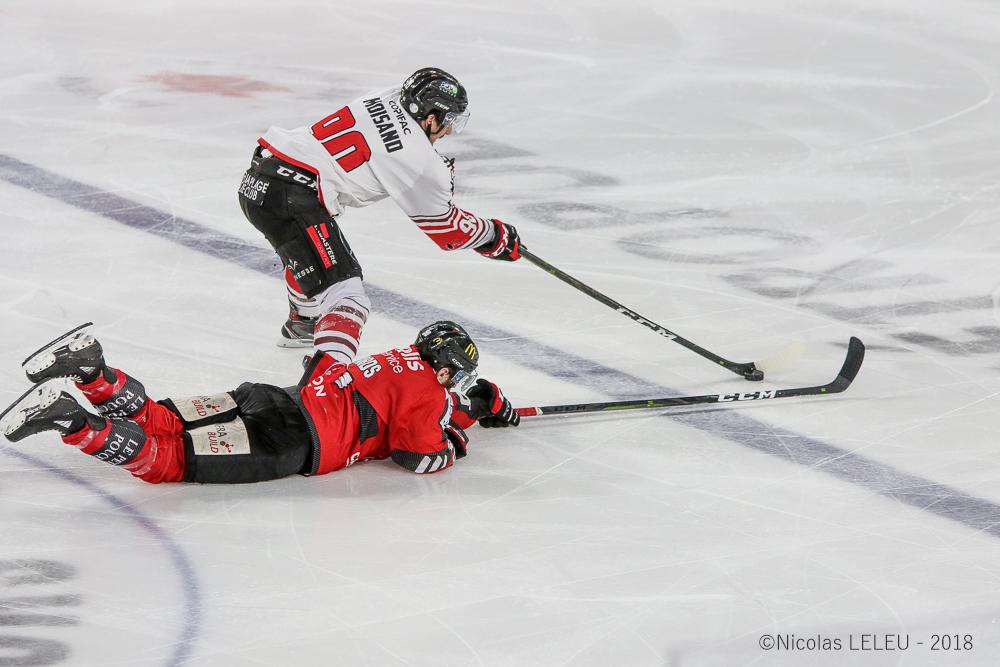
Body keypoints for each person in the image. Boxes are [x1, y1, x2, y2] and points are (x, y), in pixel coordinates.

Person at [0, 322, 520, 484]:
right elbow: (418, 453)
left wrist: (472, 409)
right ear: (446, 369)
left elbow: (398, 408)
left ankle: (91, 369)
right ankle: (69, 418)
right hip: (292, 441)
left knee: (158, 418)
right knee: (168, 459)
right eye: (457, 377)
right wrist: (458, 439)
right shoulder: (430, 392)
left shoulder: (401, 358)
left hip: (271, 399)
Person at [239, 67, 522, 362]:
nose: (449, 130)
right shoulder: (420, 160)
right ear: (430, 117)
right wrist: (494, 236)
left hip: (259, 178)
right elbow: (446, 230)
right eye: (448, 121)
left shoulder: (390, 95)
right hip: (291, 196)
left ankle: (304, 322)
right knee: (348, 299)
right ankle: (324, 381)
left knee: (309, 250)